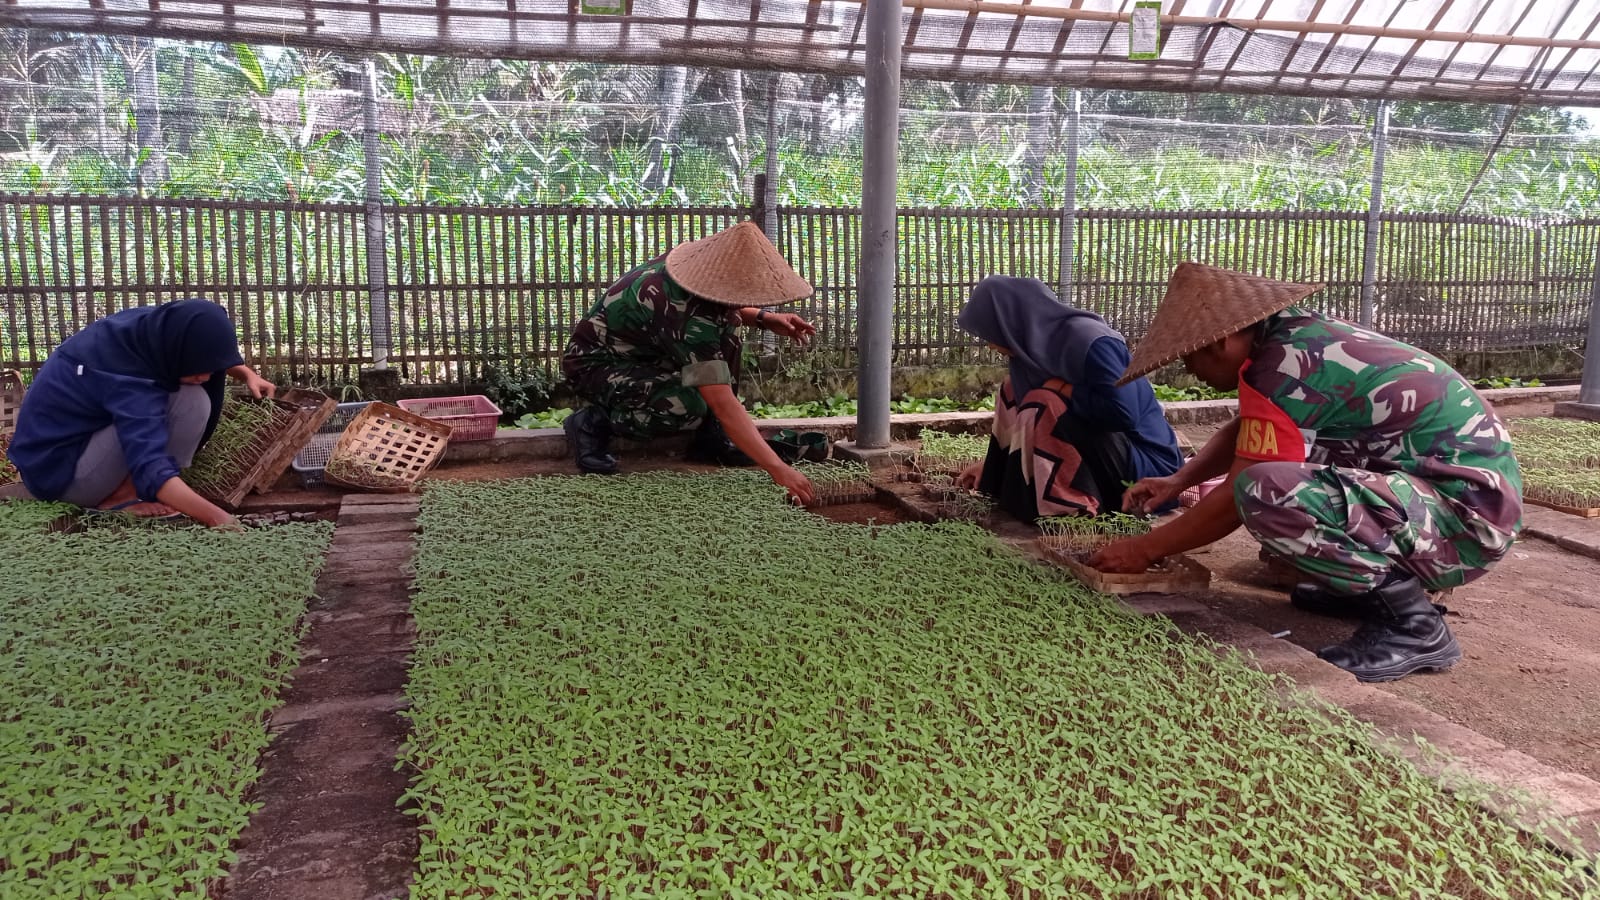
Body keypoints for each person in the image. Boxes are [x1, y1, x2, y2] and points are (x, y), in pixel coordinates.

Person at [1090, 263, 1522, 683]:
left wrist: (1144, 550)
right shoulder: (1291, 341)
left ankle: (1414, 624)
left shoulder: (1284, 363)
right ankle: (1364, 587)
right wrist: (1179, 479)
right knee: (1277, 477)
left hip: (1465, 521)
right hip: (1437, 500)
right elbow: (1253, 430)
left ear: (1218, 342)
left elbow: (1237, 496)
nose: (1192, 373)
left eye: (1189, 360)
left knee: (1265, 491)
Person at [561, 221, 818, 505]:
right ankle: (593, 423)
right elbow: (723, 403)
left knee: (729, 329)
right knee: (686, 406)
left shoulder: (692, 275)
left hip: (646, 354)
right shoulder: (685, 314)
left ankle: (711, 438)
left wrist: (765, 318)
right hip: (595, 366)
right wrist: (778, 469)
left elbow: (721, 306)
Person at [6, 298, 276, 529]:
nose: (206, 376)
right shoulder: (126, 379)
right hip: (61, 473)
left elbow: (198, 346)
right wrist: (220, 519)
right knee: (189, 401)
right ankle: (121, 497)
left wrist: (246, 373)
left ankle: (138, 488)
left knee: (191, 395)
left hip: (75, 443)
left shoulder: (152, 330)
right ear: (176, 349)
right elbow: (149, 463)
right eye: (197, 367)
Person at [953, 275, 1183, 520]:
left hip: (1144, 470)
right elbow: (1022, 417)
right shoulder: (1031, 356)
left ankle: (1073, 507)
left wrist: (1066, 390)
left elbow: (1123, 413)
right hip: (1103, 459)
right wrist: (993, 469)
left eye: (992, 330)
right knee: (1012, 390)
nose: (990, 344)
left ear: (1010, 321)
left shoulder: (1092, 342)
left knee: (1044, 400)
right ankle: (1035, 491)